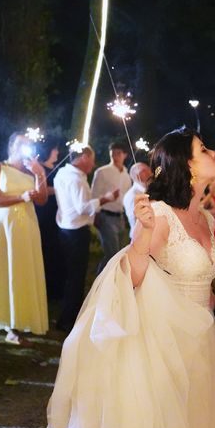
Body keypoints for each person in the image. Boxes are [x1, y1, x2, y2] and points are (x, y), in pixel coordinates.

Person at [44, 127, 215, 428]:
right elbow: (131, 278)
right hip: (165, 344)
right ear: (187, 165)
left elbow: (203, 284)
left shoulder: (206, 218)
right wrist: (143, 233)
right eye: (204, 149)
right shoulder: (160, 213)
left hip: (203, 342)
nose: (214, 154)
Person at [0, 133, 49, 348]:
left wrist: (40, 173)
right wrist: (20, 197)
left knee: (16, 274)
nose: (25, 147)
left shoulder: (32, 171)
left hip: (24, 230)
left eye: (28, 144)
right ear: (11, 146)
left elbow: (42, 199)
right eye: (21, 143)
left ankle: (12, 326)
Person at [52, 145, 117, 332]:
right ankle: (68, 320)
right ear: (83, 158)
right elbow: (82, 208)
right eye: (92, 159)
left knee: (71, 276)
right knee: (76, 277)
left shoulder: (62, 174)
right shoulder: (75, 180)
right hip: (76, 230)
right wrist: (106, 198)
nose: (93, 164)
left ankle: (67, 315)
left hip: (64, 228)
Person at [91, 141, 132, 272]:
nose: (115, 156)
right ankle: (100, 283)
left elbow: (127, 197)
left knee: (119, 252)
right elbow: (94, 194)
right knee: (112, 253)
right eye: (112, 153)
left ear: (125, 155)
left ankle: (112, 283)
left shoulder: (127, 175)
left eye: (118, 153)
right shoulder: (102, 172)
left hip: (120, 216)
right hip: (105, 215)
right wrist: (96, 215)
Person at [35, 139, 63, 301]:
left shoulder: (58, 168)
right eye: (54, 150)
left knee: (55, 250)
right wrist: (57, 189)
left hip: (57, 212)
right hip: (44, 211)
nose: (57, 152)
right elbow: (39, 189)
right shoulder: (39, 169)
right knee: (45, 247)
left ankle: (55, 290)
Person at [122, 162, 152, 236]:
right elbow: (136, 221)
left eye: (148, 169)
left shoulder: (151, 189)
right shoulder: (132, 195)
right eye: (144, 171)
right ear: (136, 176)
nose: (150, 172)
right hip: (140, 237)